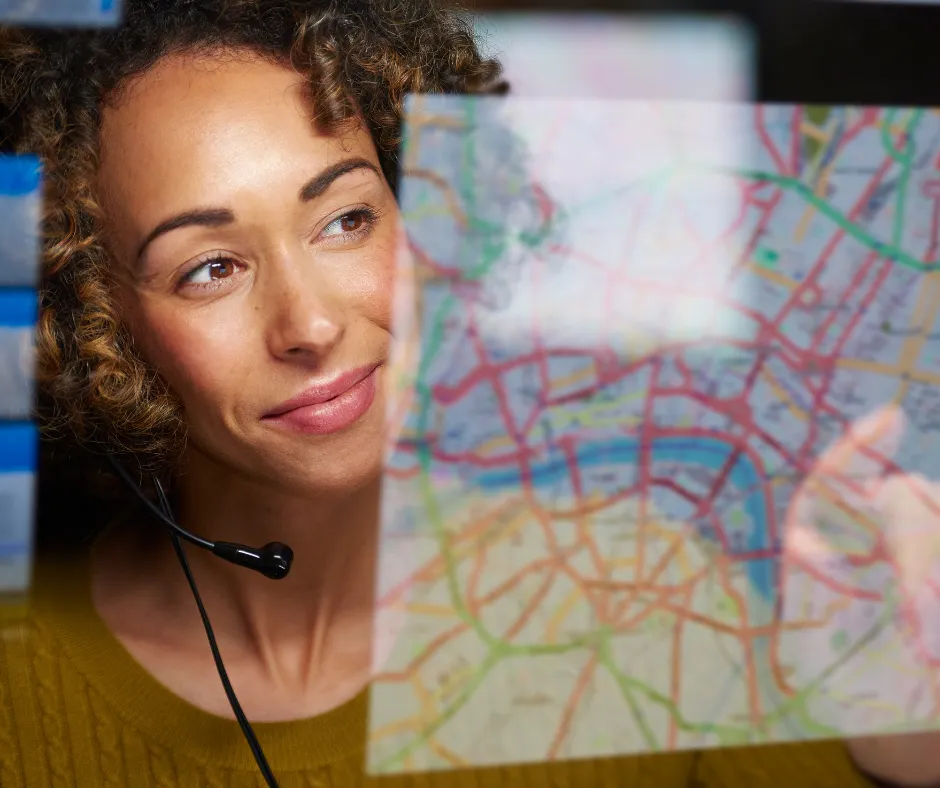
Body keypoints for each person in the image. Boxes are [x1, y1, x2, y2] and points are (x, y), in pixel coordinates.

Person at [0, 0, 935, 785]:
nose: (311, 324)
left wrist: (902, 731)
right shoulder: (18, 691)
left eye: (347, 218)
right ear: (94, 320)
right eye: (209, 267)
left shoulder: (654, 605)